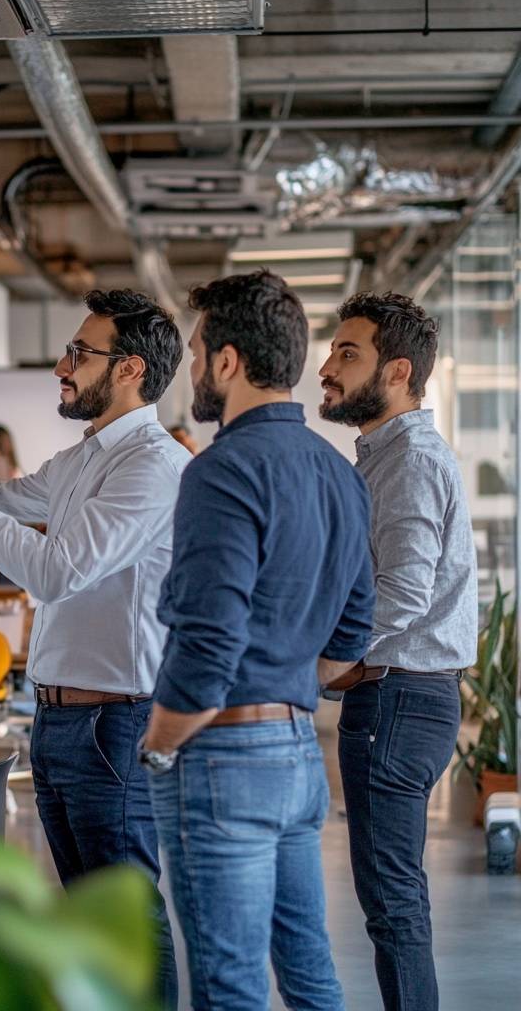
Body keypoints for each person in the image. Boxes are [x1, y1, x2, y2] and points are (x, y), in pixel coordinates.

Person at [0, 288, 189, 1006]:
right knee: (90, 916)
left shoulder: (151, 467)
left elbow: (56, 571)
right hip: (63, 719)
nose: (63, 364)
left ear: (129, 371)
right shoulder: (86, 456)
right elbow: (16, 499)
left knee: (125, 913)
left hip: (112, 724)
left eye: (81, 353)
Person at [140, 270, 375, 1010]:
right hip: (299, 753)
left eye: (198, 349)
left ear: (229, 361)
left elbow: (206, 647)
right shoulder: (340, 474)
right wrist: (286, 680)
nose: (194, 368)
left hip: (220, 759)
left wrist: (158, 743)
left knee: (227, 985)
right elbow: (352, 638)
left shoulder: (221, 471)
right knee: (310, 977)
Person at [319, 291, 477, 1011]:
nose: (328, 365)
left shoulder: (409, 459)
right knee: (392, 903)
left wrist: (324, 666)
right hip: (397, 697)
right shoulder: (387, 456)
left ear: (398, 372)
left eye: (347, 353)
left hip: (399, 698)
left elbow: (402, 595)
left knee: (392, 904)